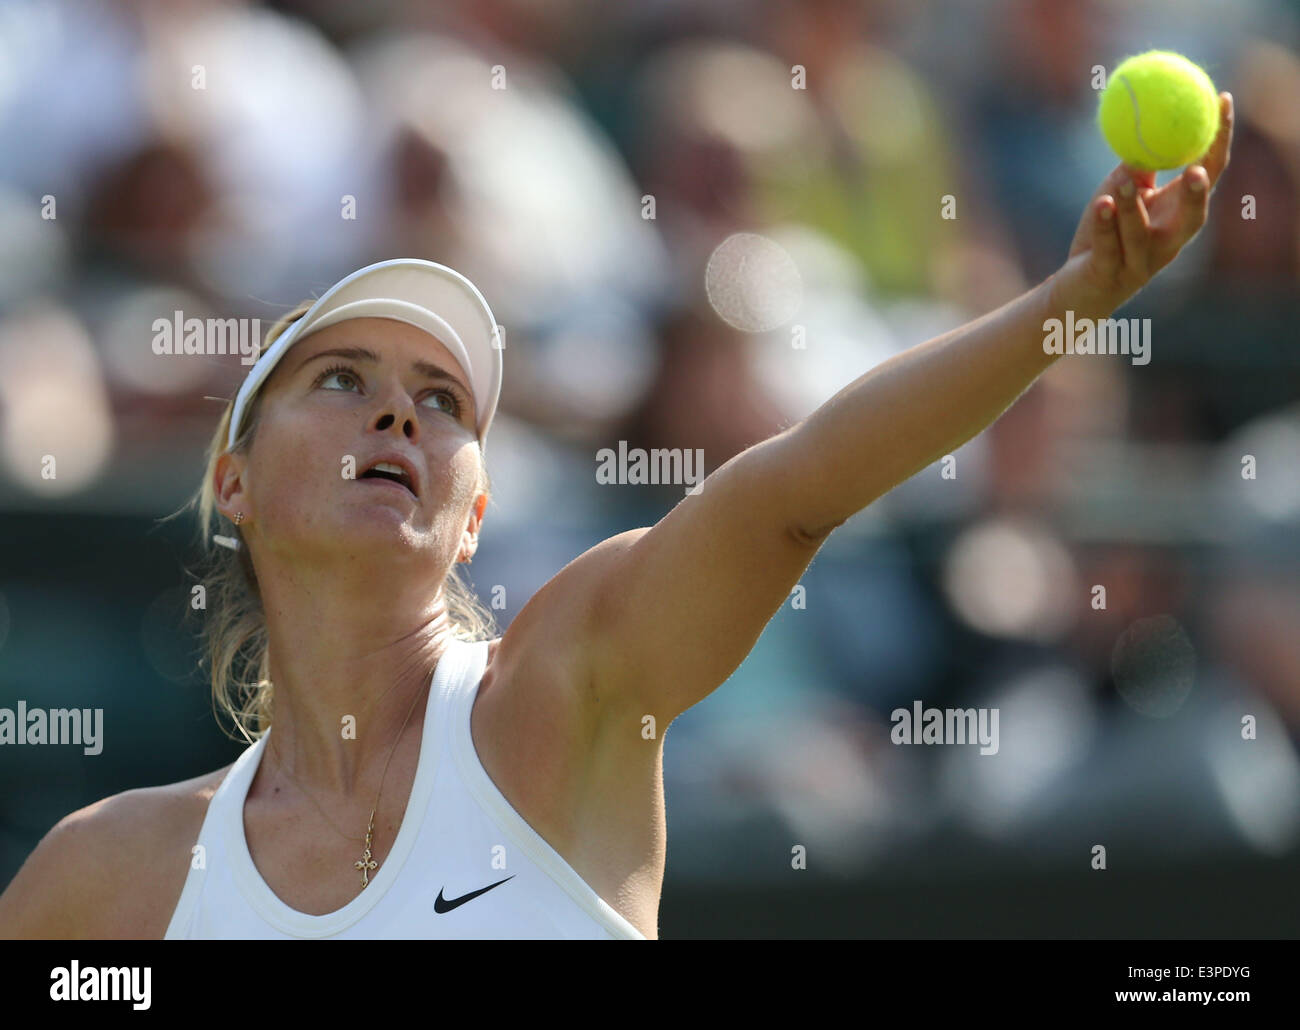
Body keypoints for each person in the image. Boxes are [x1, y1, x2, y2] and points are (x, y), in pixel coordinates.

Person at [0, 95, 1234, 940]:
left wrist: (1076, 299)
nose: (399, 419)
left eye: (439, 401)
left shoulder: (567, 687)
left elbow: (797, 488)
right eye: (342, 380)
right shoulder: (110, 880)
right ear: (234, 481)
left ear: (473, 513)